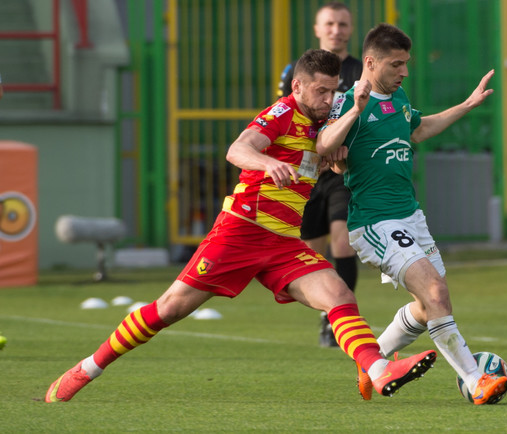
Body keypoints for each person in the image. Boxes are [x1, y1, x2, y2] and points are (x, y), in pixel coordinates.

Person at [44, 49, 436, 403]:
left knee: (338, 293)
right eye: (321, 91)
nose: (329, 100)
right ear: (297, 86)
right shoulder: (282, 112)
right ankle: (88, 368)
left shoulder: (325, 123)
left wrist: (337, 158)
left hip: (283, 242)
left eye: (334, 91)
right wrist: (268, 163)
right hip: (240, 232)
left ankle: (381, 371)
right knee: (168, 309)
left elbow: (328, 153)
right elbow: (238, 149)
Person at [316, 24, 507, 405]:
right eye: (396, 64)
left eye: (406, 64)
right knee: (436, 292)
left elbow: (418, 130)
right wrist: (351, 117)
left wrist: (466, 106)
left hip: (411, 217)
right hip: (374, 221)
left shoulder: (398, 96)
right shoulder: (349, 101)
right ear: (370, 63)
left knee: (428, 306)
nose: (404, 72)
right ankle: (475, 380)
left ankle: (373, 363)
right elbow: (324, 144)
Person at [278, 2, 362, 348]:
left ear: (350, 30)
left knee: (343, 239)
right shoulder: (298, 72)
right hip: (308, 171)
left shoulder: (362, 72)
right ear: (317, 29)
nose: (336, 30)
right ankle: (327, 306)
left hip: (342, 169)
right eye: (329, 23)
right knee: (313, 250)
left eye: (342, 24)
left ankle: (336, 318)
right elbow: (286, 116)